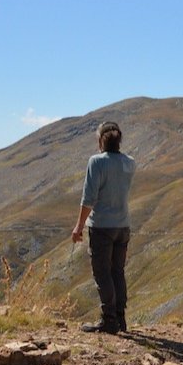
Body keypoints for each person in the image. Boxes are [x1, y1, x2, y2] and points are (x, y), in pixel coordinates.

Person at [71, 121, 137, 332]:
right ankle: (120, 318)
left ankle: (109, 320)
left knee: (102, 273)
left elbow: (88, 198)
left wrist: (79, 226)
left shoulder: (96, 162)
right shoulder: (129, 162)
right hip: (123, 225)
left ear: (101, 141)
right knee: (118, 271)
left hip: (101, 226)